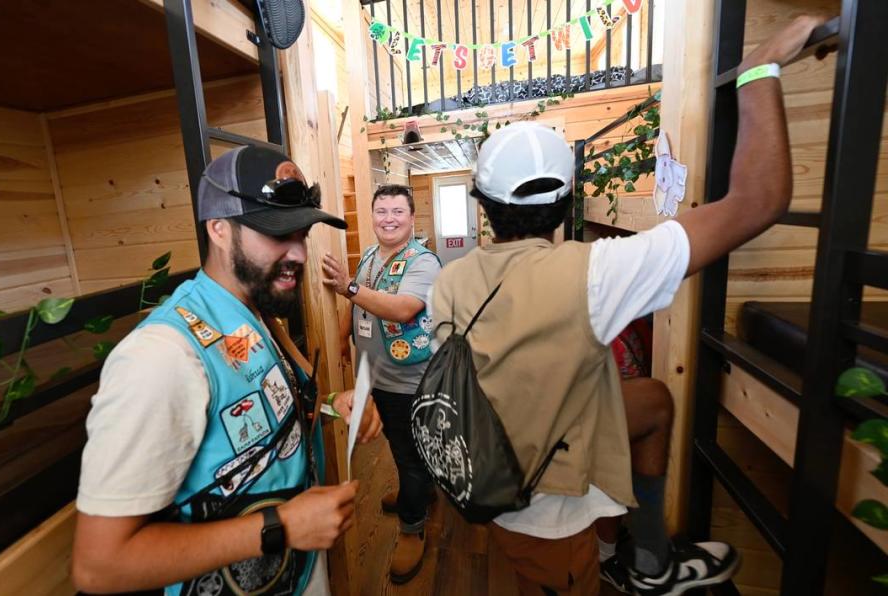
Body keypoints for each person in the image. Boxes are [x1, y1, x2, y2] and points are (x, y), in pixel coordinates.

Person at [429, 15, 825, 596]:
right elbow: (758, 200)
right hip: (540, 511)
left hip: (491, 454)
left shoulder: (450, 280)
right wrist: (759, 67)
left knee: (655, 404)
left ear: (482, 205)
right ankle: (617, 556)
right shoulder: (596, 272)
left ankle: (638, 559)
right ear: (568, 200)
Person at [71, 141, 383, 596]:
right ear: (218, 229)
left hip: (291, 572)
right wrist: (281, 527)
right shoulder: (161, 358)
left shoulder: (257, 313)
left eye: (301, 234)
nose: (298, 253)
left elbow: (286, 404)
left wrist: (337, 405)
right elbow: (99, 566)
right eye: (278, 232)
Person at [321, 184, 442, 584]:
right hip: (377, 377)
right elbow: (356, 302)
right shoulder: (371, 255)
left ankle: (413, 524)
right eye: (381, 211)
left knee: (409, 457)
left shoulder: (423, 262)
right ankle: (421, 492)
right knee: (402, 447)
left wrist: (348, 288)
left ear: (411, 218)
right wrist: (342, 335)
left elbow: (404, 307)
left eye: (397, 212)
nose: (388, 218)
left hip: (412, 382)